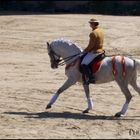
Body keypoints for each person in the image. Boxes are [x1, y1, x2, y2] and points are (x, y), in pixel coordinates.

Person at [81, 18, 105, 84]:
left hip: (95, 52)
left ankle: (91, 78)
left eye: (90, 23)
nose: (90, 25)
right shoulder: (101, 30)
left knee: (83, 63)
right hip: (101, 50)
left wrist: (85, 50)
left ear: (93, 24)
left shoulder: (93, 33)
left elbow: (91, 45)